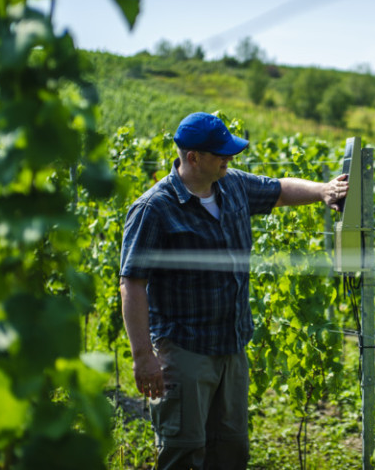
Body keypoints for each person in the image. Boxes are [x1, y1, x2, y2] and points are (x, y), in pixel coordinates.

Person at [119, 112, 349, 470]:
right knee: (183, 452)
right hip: (184, 350)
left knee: (230, 452)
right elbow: (132, 283)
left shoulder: (233, 185)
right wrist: (143, 356)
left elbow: (279, 190)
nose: (231, 157)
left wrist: (323, 191)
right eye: (221, 152)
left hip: (232, 347)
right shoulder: (155, 208)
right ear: (193, 157)